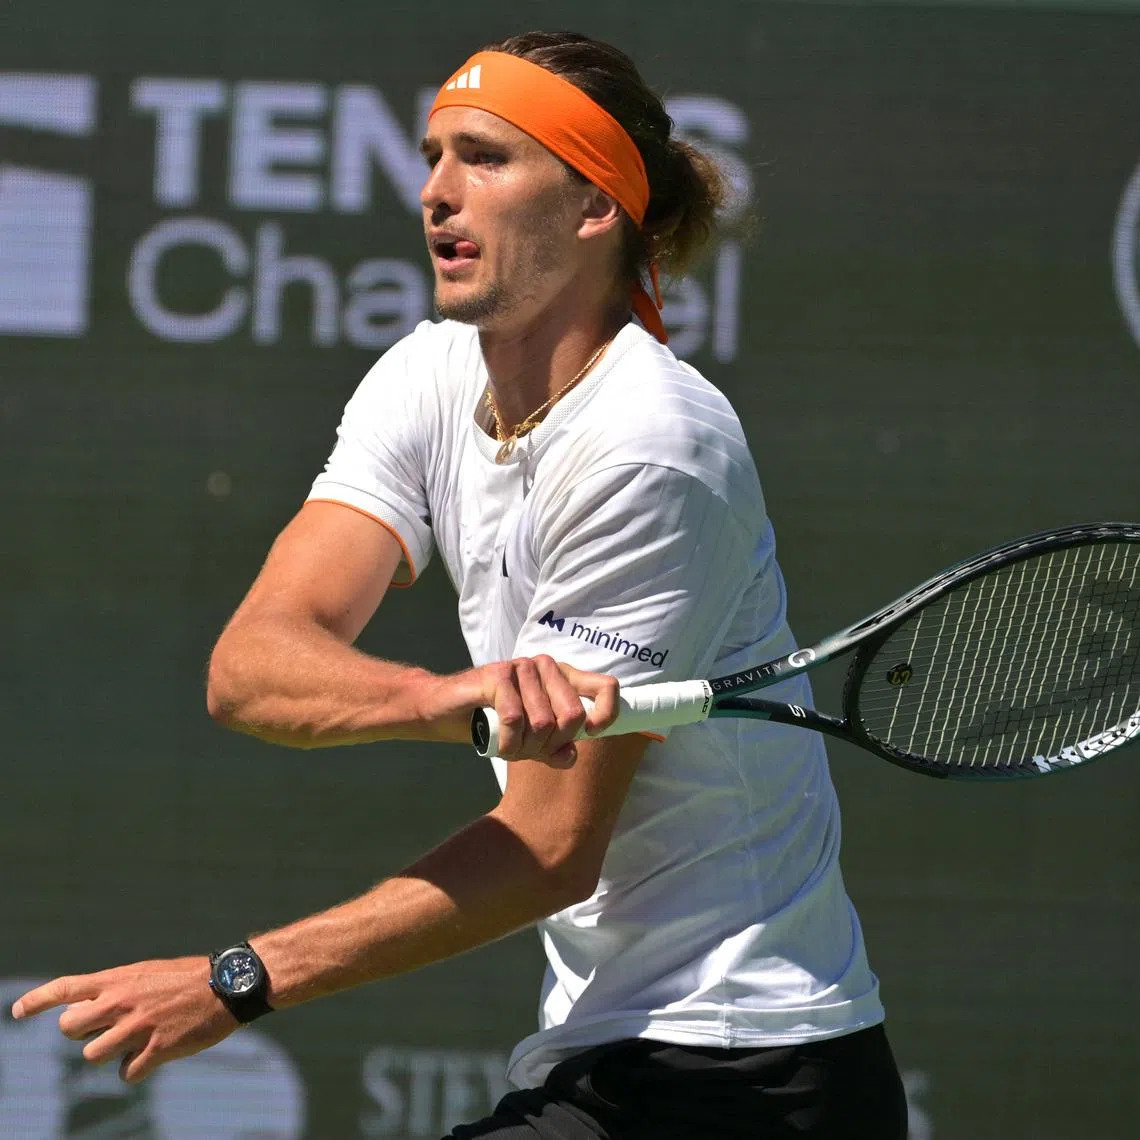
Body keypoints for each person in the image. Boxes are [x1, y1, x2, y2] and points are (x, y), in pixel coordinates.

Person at [12, 31, 908, 1139]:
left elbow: (546, 849)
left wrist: (235, 979)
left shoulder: (653, 448)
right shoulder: (430, 372)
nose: (436, 192)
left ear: (593, 209)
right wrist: (443, 700)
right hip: (619, 1054)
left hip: (748, 1073)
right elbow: (250, 667)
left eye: (485, 158)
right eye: (433, 155)